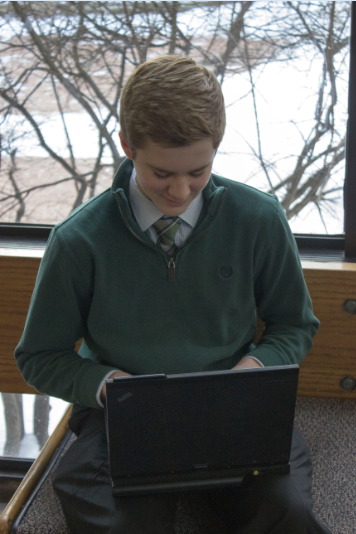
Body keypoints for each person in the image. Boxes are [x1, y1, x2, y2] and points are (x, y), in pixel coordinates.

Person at [15, 55, 332, 534]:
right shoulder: (79, 240)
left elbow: (294, 325)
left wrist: (252, 371)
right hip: (119, 415)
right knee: (119, 525)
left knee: (287, 512)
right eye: (162, 173)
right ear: (127, 146)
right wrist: (110, 385)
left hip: (233, 402)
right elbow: (40, 356)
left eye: (198, 171)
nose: (181, 190)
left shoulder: (259, 219)